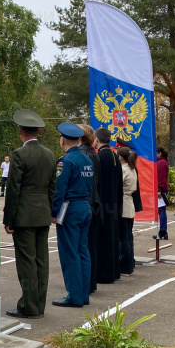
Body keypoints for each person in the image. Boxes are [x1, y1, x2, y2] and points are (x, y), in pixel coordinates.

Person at [2, 110, 57, 320]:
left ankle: (28, 306)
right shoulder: (50, 154)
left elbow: (13, 189)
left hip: (24, 216)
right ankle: (39, 305)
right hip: (42, 213)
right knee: (41, 261)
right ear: (38, 132)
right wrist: (50, 211)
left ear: (20, 132)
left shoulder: (19, 154)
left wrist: (9, 219)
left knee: (26, 262)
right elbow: (53, 188)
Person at [51, 123, 94, 308]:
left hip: (70, 208)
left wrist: (53, 212)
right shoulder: (88, 159)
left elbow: (59, 190)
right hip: (85, 206)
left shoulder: (65, 161)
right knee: (83, 251)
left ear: (62, 140)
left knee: (70, 253)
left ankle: (74, 296)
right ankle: (84, 294)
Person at [94, 127, 122, 284]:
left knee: (103, 240)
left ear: (96, 139)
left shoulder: (101, 156)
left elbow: (98, 183)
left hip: (103, 204)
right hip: (113, 203)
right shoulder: (113, 155)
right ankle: (113, 271)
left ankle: (104, 274)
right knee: (112, 239)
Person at [78, 125, 100, 294]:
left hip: (84, 201)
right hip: (93, 202)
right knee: (89, 246)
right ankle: (90, 282)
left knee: (80, 248)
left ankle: (83, 285)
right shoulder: (94, 153)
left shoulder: (82, 154)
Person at [118, 147, 138, 275]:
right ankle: (129, 264)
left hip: (124, 205)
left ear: (120, 157)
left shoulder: (123, 169)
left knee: (123, 238)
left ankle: (124, 265)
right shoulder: (132, 169)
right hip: (129, 204)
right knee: (128, 237)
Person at [155, 147, 170, 240]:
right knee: (161, 210)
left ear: (159, 153)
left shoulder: (161, 163)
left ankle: (163, 230)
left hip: (161, 189)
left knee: (161, 210)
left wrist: (158, 189)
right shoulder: (163, 162)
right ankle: (163, 230)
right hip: (162, 188)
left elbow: (161, 178)